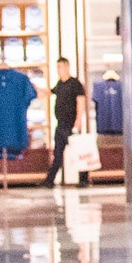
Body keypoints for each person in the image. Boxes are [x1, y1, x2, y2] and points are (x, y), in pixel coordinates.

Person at [41, 56, 88, 188]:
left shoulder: (75, 84)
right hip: (60, 124)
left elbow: (81, 101)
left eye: (60, 67)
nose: (59, 70)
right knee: (57, 154)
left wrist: (78, 120)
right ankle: (49, 180)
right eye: (57, 67)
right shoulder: (60, 84)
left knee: (77, 152)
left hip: (71, 124)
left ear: (67, 67)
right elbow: (49, 92)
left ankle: (83, 179)